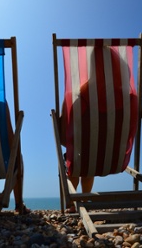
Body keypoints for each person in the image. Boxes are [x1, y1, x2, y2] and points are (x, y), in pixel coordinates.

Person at [59, 83, 94, 213]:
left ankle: (73, 202)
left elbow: (63, 138)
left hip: (79, 153)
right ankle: (85, 202)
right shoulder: (127, 97)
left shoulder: (72, 97)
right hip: (112, 157)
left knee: (76, 156)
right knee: (92, 157)